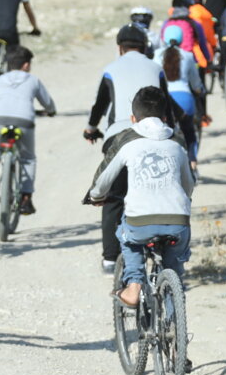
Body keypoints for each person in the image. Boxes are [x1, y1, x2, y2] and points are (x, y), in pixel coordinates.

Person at [89, 86, 194, 310]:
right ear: (165, 117)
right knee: (173, 267)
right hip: (178, 223)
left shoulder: (127, 140)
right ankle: (174, 324)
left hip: (140, 223)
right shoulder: (177, 142)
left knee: (125, 235)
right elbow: (189, 184)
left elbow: (104, 179)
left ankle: (134, 285)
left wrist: (96, 196)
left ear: (133, 118)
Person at [84, 25, 178, 273]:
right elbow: (164, 106)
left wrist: (91, 128)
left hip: (119, 137)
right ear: (145, 46)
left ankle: (109, 258)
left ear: (119, 47)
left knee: (113, 197)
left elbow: (100, 105)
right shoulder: (155, 68)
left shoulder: (111, 69)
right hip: (155, 134)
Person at [0, 46, 55, 216]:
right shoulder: (33, 80)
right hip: (24, 120)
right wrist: (50, 111)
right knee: (28, 158)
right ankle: (26, 199)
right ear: (26, 65)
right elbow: (48, 103)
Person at [161, 43, 204, 163]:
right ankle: (193, 163)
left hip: (166, 99)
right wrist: (199, 90)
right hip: (185, 98)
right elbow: (196, 84)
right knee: (189, 133)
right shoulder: (188, 56)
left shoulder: (157, 55)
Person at [161, 0, 212, 72]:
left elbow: (162, 41)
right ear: (188, 7)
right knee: (198, 82)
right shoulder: (194, 23)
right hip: (189, 61)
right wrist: (208, 59)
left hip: (169, 60)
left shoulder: (166, 23)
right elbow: (202, 43)